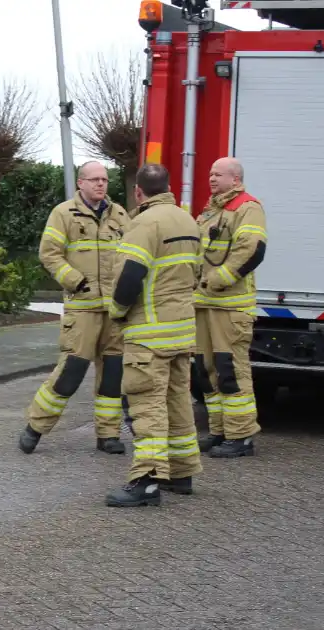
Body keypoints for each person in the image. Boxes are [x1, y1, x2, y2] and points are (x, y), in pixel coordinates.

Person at [105, 164, 203, 507]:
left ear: (138, 192)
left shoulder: (143, 224)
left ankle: (146, 482)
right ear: (168, 186)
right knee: (177, 402)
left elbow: (131, 274)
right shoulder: (187, 220)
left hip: (149, 334)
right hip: (181, 331)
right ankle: (182, 473)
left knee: (146, 405)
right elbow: (198, 271)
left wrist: (116, 310)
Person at [19, 161, 131, 455]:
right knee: (70, 372)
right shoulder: (63, 213)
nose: (100, 184)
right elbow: (49, 254)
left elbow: (132, 254)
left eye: (104, 180)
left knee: (113, 375)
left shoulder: (119, 215)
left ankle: (108, 435)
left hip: (115, 312)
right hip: (82, 309)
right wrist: (75, 281)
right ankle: (35, 426)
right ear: (80, 183)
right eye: (94, 180)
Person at [193, 157, 267, 458]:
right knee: (206, 369)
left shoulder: (248, 207)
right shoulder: (212, 211)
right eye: (210, 174)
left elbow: (252, 250)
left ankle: (242, 436)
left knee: (231, 370)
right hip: (205, 303)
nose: (211, 178)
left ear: (235, 180)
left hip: (230, 306)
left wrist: (218, 280)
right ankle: (219, 430)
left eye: (218, 174)